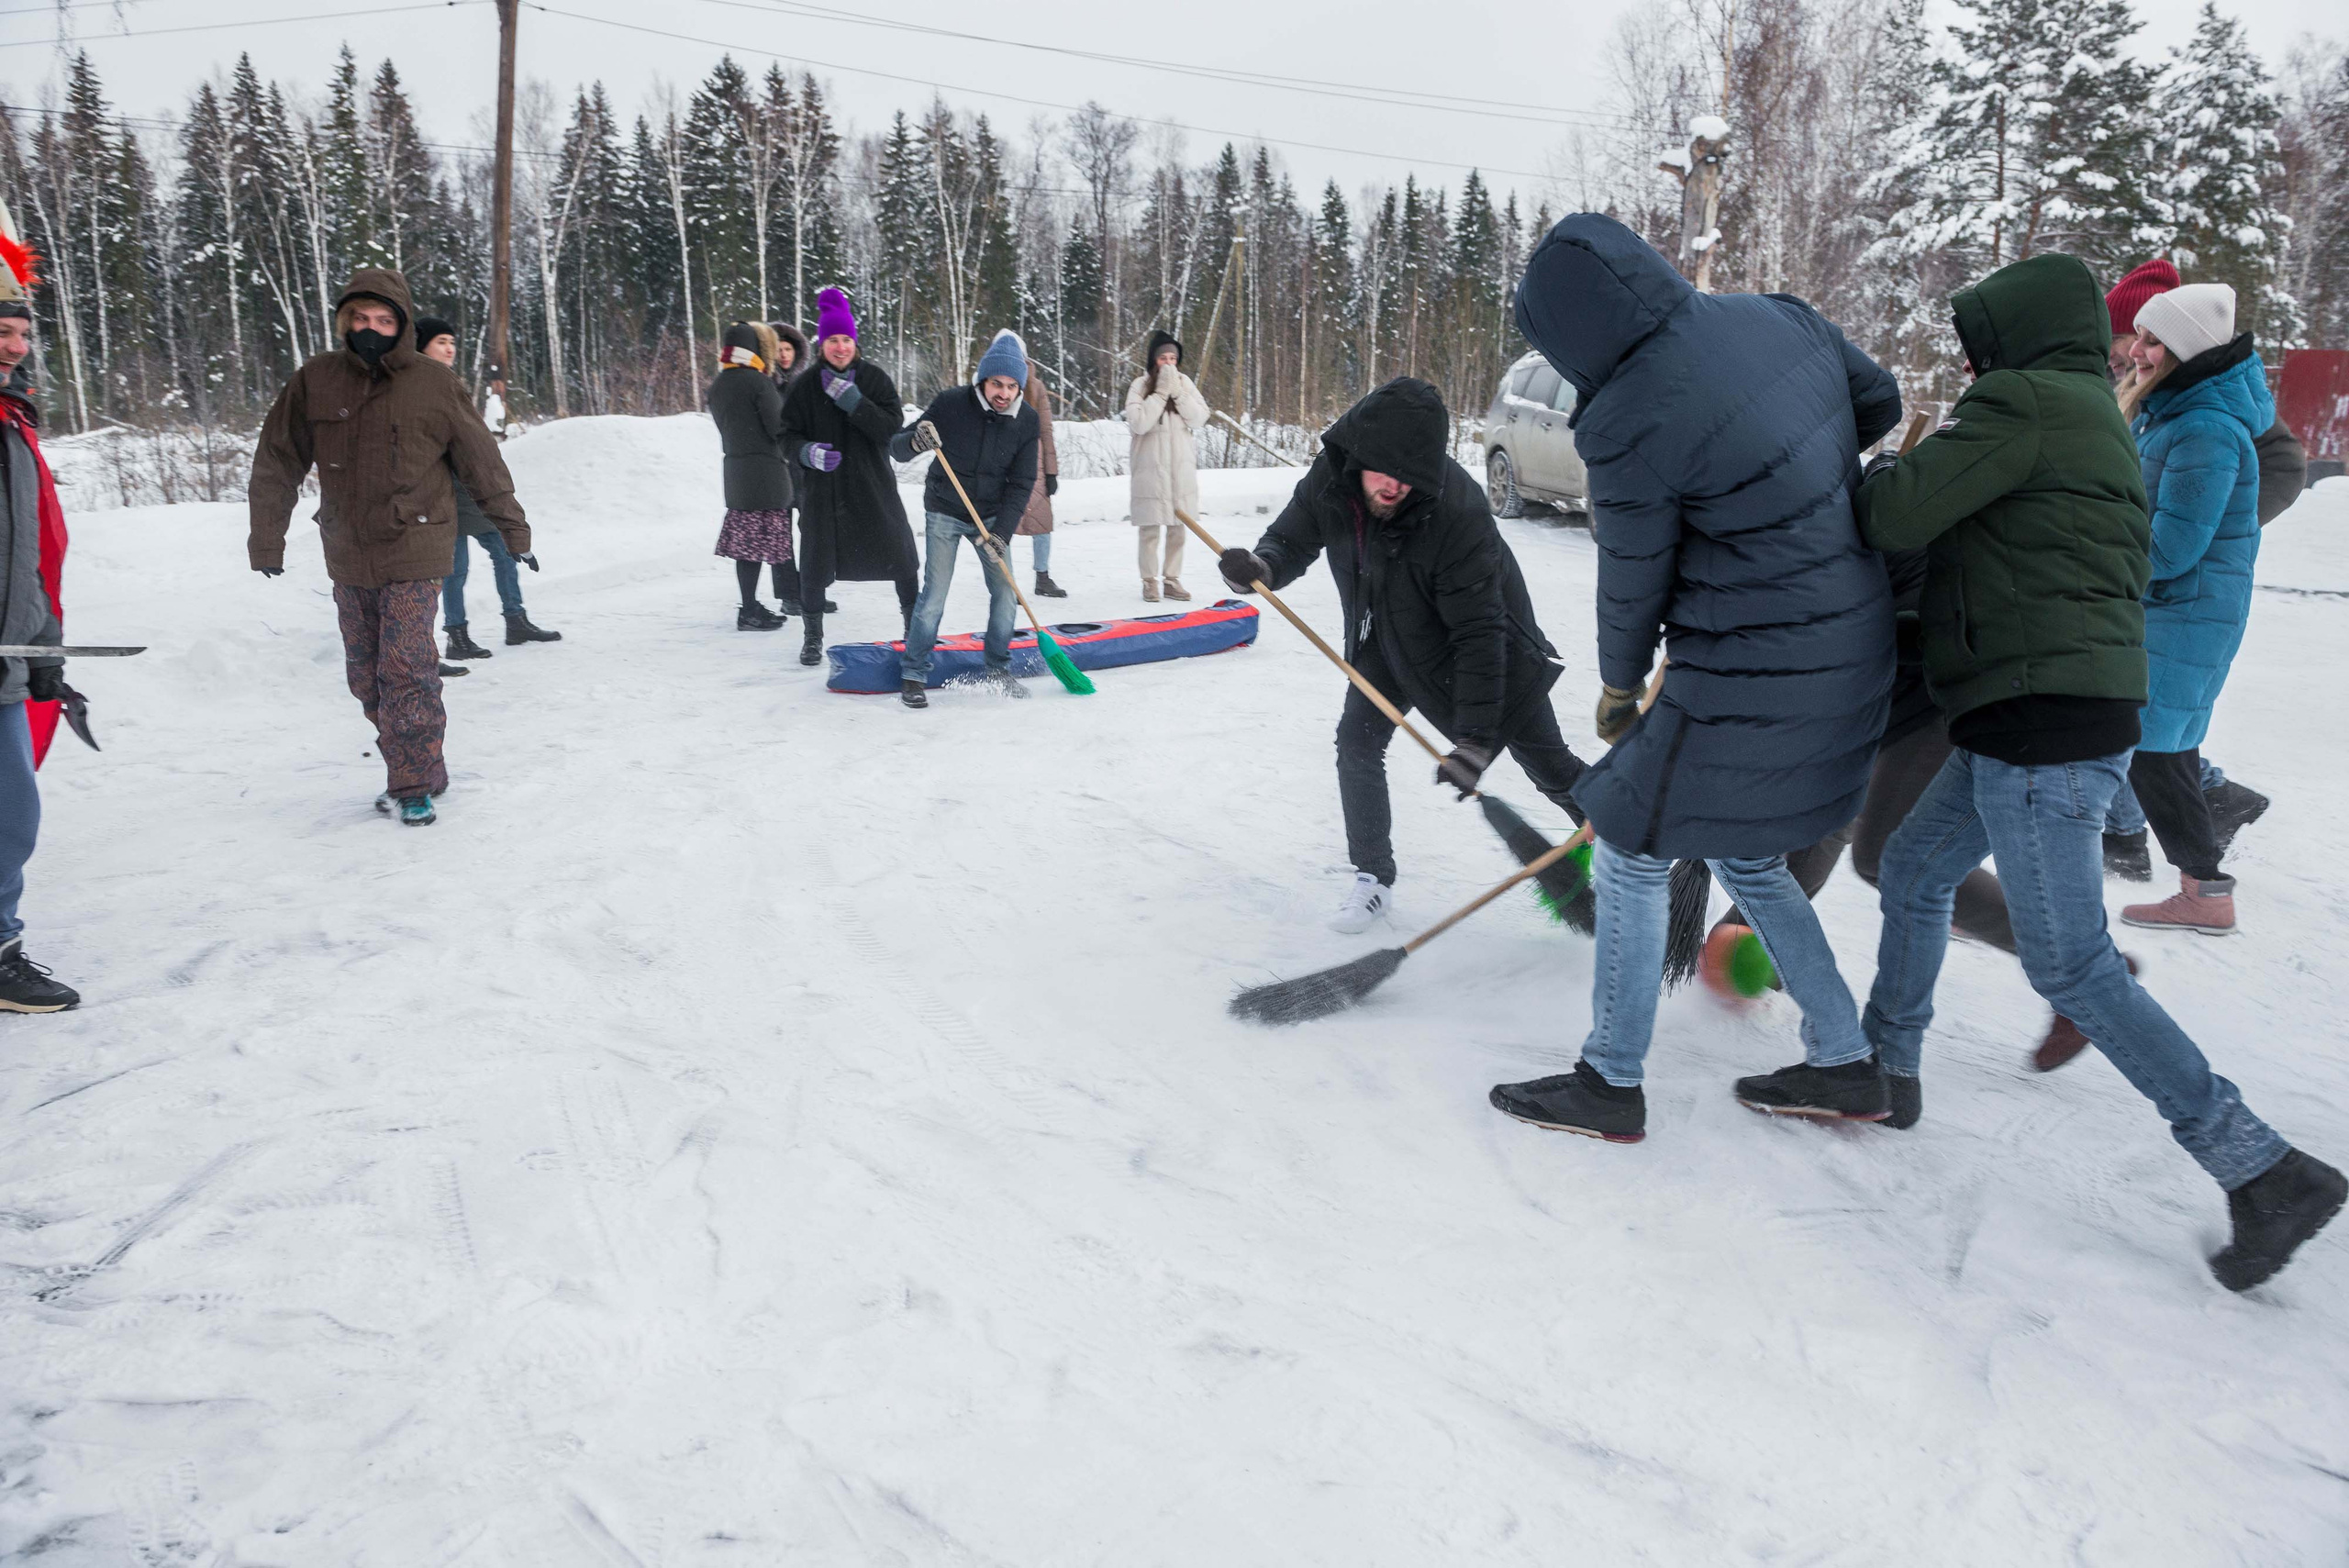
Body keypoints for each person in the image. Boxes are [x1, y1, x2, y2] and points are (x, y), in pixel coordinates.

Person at [1854, 250, 2340, 1292]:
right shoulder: (2108, 415)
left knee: (2070, 963)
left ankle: (2262, 1165)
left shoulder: (2090, 414)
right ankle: (1884, 1064)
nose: (2139, 351)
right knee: (1908, 866)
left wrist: (1919, 480)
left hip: (2048, 720)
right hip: (2024, 705)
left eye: (2157, 341)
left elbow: (1909, 520)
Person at [1485, 212, 1901, 1144]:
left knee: (1631, 844)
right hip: (1853, 642)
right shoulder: (1776, 316)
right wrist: (1798, 489)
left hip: (1752, 660)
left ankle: (1609, 1081)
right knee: (1744, 848)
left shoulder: (1628, 415)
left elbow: (1631, 584)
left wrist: (1619, 690)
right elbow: (1879, 400)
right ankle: (1842, 1055)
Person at [1218, 376, 1592, 934]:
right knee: (1356, 744)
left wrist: (1474, 740)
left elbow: (1479, 634)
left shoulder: (1458, 512)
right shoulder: (1331, 481)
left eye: (1407, 477)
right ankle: (1372, 878)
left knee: (1547, 763)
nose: (1393, 487)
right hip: (1386, 638)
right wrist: (1262, 569)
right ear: (1357, 456)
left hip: (1489, 654)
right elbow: (1291, 539)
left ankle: (1624, 834)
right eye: (1382, 471)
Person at [249, 268, 531, 828]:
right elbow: (278, 459)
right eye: (359, 318)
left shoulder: (434, 382)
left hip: (418, 543)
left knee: (406, 667)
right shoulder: (316, 379)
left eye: (383, 320)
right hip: (349, 548)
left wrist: (512, 530)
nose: (370, 329)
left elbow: (481, 460)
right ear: (344, 321)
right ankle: (426, 762)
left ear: (401, 325)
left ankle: (409, 785)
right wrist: (267, 539)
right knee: (366, 674)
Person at [2111, 284, 2268, 936]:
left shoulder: (2204, 428)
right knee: (2158, 748)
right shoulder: (2175, 413)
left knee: (2151, 747)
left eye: (2153, 341)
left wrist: (2095, 560)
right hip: (2172, 609)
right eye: (2139, 336)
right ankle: (2205, 883)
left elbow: (2172, 547)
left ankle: (2204, 886)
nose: (2137, 352)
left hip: (2182, 610)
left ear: (2185, 351)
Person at [0, 219, 80, 1011]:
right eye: (1, 330)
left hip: (7, 656)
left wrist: (42, 647)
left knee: (11, 809)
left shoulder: (15, 425)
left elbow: (32, 555)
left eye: (23, 332)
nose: (16, 345)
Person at [887, 329, 1041, 710]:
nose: (1003, 393)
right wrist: (916, 441)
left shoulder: (1026, 421)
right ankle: (914, 673)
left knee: (1006, 594)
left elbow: (1022, 483)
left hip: (991, 518)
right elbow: (898, 449)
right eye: (995, 384)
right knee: (935, 595)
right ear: (982, 380)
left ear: (1020, 387)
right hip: (945, 509)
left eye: (1011, 386)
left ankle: (997, 668)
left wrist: (1001, 533)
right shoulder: (952, 403)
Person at [778, 287, 919, 668]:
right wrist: (808, 454)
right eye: (832, 340)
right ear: (821, 343)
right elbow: (785, 436)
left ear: (855, 342)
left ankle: (914, 629)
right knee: (814, 564)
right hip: (823, 491)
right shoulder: (804, 386)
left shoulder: (874, 380)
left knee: (902, 556)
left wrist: (855, 402)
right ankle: (812, 637)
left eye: (846, 340)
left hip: (872, 485)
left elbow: (891, 428)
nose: (840, 347)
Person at [416, 317, 559, 658]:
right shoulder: (419, 385)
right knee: (456, 567)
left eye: (452, 341)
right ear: (421, 346)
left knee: (505, 550)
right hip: (443, 491)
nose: (449, 348)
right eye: (441, 342)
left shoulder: (446, 380)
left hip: (470, 487)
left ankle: (515, 620)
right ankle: (457, 636)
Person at [708, 322, 796, 632]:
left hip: (735, 471)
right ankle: (754, 609)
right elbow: (778, 427)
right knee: (762, 545)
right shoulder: (759, 383)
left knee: (747, 548)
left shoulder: (718, 384)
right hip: (766, 473)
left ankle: (749, 606)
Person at [1126, 330, 1208, 603]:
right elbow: (1138, 422)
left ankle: (1172, 580)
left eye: (1173, 358)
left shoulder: (1185, 384)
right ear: (1154, 360)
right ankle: (1149, 581)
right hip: (1151, 471)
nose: (1169, 364)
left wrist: (1178, 394)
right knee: (1150, 529)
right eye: (1164, 358)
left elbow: (1199, 418)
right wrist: (1160, 393)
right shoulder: (1140, 385)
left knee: (1178, 528)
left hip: (1179, 472)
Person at [763, 321, 825, 618]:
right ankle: (788, 596)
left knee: (813, 530)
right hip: (775, 468)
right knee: (780, 534)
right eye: (778, 350)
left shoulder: (806, 383)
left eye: (788, 349)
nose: (784, 355)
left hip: (804, 466)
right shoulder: (764, 384)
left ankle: (811, 591)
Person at [1017, 361, 1065, 598]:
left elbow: (1046, 430)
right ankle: (1005, 582)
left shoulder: (1036, 387)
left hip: (1035, 461)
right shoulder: (993, 383)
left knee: (1041, 520)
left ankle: (1043, 577)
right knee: (1000, 524)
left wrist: (1051, 472)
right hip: (1004, 461)